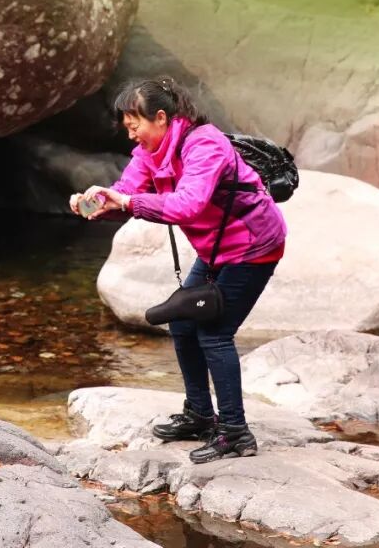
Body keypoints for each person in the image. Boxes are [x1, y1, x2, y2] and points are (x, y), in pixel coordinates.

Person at [71, 77, 286, 463]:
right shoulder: (150, 151)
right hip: (216, 249)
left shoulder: (205, 145)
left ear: (160, 117)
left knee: (214, 333)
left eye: (135, 125)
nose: (132, 135)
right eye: (127, 128)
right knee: (183, 323)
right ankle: (200, 415)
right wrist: (99, 202)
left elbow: (188, 205)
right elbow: (127, 190)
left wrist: (129, 203)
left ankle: (235, 433)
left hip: (253, 246)